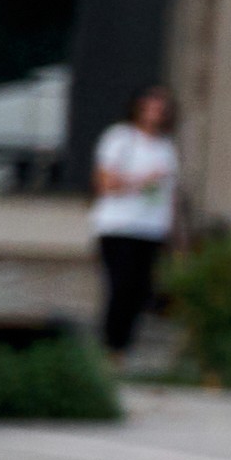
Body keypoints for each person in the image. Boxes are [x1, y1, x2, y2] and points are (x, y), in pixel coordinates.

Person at [87, 86, 181, 358]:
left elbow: (169, 195)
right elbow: (105, 183)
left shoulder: (165, 147)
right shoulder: (120, 138)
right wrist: (142, 179)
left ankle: (124, 347)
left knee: (141, 290)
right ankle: (110, 346)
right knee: (120, 286)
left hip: (150, 228)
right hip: (119, 226)